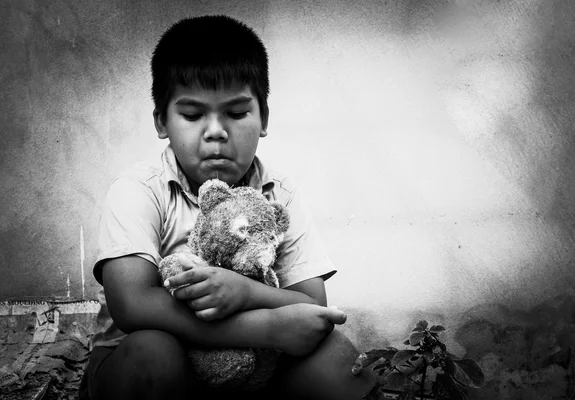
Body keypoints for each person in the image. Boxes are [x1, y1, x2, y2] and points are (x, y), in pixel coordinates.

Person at [79, 15, 377, 400]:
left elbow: (310, 305)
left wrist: (246, 293)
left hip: (252, 367)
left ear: (264, 118)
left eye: (236, 113)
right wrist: (265, 327)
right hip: (144, 365)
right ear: (161, 121)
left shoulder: (278, 195)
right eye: (192, 115)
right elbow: (132, 304)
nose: (216, 131)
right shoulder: (140, 190)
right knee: (154, 355)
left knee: (340, 363)